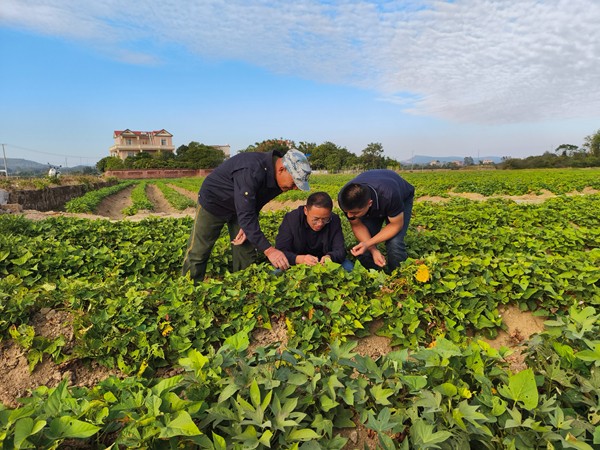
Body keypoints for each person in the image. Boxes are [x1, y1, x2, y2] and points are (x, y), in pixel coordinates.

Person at [182, 148, 312, 282]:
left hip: (243, 207)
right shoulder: (251, 169)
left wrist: (248, 224)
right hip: (214, 202)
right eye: (295, 182)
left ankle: (243, 289)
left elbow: (257, 202)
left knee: (245, 251)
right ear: (282, 169)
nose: (295, 188)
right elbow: (246, 210)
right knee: (199, 251)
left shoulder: (281, 181)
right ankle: (188, 291)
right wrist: (269, 250)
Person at [338, 169, 414, 271]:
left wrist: (368, 243)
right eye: (347, 212)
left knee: (395, 244)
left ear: (369, 204)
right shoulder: (346, 199)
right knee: (364, 249)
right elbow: (357, 225)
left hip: (399, 196)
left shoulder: (390, 195)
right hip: (376, 196)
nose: (350, 216)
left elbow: (396, 225)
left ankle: (399, 277)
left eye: (355, 213)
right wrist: (372, 249)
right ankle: (374, 277)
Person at [275, 191, 353, 271]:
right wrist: (299, 259)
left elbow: (340, 250)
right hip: (297, 262)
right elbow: (280, 250)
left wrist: (330, 257)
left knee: (349, 267)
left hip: (323, 263)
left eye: (325, 219)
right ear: (306, 210)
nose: (320, 224)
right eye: (315, 219)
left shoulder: (334, 220)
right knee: (277, 271)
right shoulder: (292, 219)